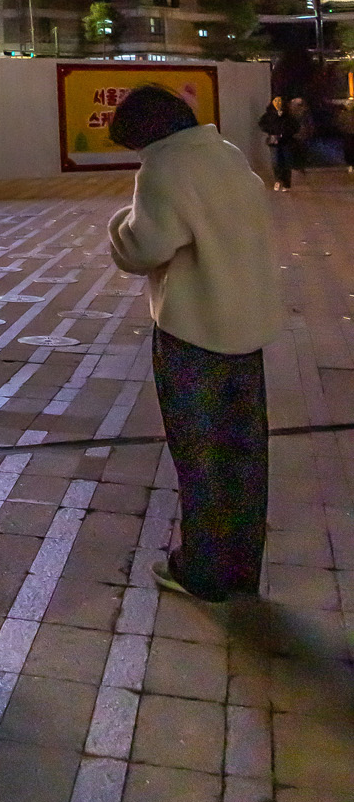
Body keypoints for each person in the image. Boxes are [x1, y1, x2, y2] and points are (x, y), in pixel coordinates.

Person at [107, 84, 283, 603]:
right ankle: (242, 569)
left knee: (200, 456)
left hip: (194, 332)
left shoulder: (165, 166)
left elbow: (145, 246)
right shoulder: (227, 155)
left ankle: (202, 571)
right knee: (245, 456)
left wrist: (117, 224)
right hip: (245, 328)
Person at [258, 95, 298, 191]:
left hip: (286, 141)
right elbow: (262, 124)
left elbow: (295, 126)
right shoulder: (269, 114)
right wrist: (271, 131)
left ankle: (286, 183)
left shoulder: (288, 115)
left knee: (286, 162)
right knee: (276, 162)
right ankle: (278, 180)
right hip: (274, 141)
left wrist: (287, 132)